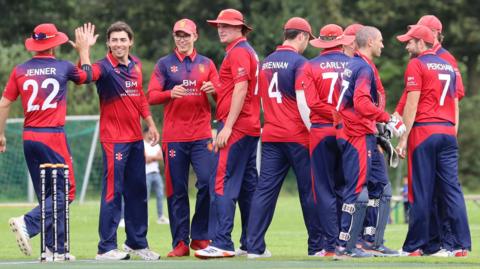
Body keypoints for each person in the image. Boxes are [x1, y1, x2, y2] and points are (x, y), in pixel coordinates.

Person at [0, 23, 94, 261]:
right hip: (52, 136)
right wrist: (84, 50)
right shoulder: (63, 66)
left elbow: (3, 103)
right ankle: (28, 222)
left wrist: (1, 135)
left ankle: (55, 248)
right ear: (55, 44)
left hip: (29, 137)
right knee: (67, 191)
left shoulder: (19, 70)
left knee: (49, 194)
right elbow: (88, 76)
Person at [84, 21, 160, 261]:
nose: (118, 44)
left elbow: (140, 98)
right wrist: (84, 49)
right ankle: (105, 248)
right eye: (114, 40)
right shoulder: (103, 67)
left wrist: (151, 124)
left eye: (122, 39)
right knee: (112, 193)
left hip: (135, 139)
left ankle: (137, 243)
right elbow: (85, 76)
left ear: (131, 41)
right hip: (114, 142)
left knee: (138, 192)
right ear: (108, 43)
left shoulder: (136, 65)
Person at [245, 17, 319, 259]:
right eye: (308, 39)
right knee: (309, 191)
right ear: (302, 37)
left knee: (264, 190)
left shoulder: (265, 62)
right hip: (298, 136)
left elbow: (264, 101)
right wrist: (313, 131)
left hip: (271, 134)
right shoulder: (301, 63)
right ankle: (316, 246)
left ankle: (254, 247)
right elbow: (302, 101)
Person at [395, 24, 471, 257]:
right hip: (447, 132)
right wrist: (452, 133)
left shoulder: (416, 64)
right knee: (451, 191)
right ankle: (460, 246)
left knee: (420, 191)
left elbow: (412, 104)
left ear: (421, 42)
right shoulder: (448, 65)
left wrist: (403, 139)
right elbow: (455, 104)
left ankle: (415, 246)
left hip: (424, 132)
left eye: (410, 42)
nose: (407, 46)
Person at [147, 18, 218, 257]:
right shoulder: (164, 64)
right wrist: (170, 93)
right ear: (173, 37)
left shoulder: (207, 64)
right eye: (178, 34)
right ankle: (180, 242)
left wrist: (215, 91)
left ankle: (199, 236)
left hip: (201, 135)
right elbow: (152, 96)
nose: (182, 38)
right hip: (174, 137)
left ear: (195, 37)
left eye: (186, 35)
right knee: (177, 189)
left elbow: (222, 98)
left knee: (208, 183)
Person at [195, 8, 260, 259]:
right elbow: (238, 86)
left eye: (227, 25)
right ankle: (251, 243)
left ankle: (222, 242)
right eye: (219, 25)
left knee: (221, 182)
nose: (221, 29)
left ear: (241, 29)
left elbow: (242, 89)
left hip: (237, 127)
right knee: (246, 186)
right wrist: (220, 86)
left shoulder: (239, 52)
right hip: (249, 126)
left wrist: (229, 126)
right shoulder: (244, 51)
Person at [335, 26, 405, 258]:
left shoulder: (360, 65)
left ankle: (372, 241)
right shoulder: (362, 67)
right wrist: (389, 119)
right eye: (381, 41)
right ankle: (346, 246)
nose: (383, 45)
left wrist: (380, 128)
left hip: (365, 133)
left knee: (382, 188)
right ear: (371, 42)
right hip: (355, 135)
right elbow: (362, 105)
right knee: (357, 191)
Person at [303, 23, 354, 257]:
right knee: (346, 187)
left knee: (323, 189)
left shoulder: (310, 66)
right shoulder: (354, 64)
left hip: (322, 132)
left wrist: (333, 115)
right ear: (341, 41)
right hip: (349, 132)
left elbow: (313, 103)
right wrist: (342, 115)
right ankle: (347, 242)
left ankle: (331, 245)